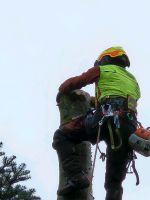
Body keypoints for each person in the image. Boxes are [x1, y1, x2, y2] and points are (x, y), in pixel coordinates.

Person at [52, 46, 141, 200]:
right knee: (114, 183)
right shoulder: (133, 81)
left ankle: (76, 176)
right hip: (128, 128)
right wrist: (93, 102)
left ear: (105, 59)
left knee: (61, 135)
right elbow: (117, 97)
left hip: (105, 120)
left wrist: (62, 89)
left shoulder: (103, 70)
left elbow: (77, 82)